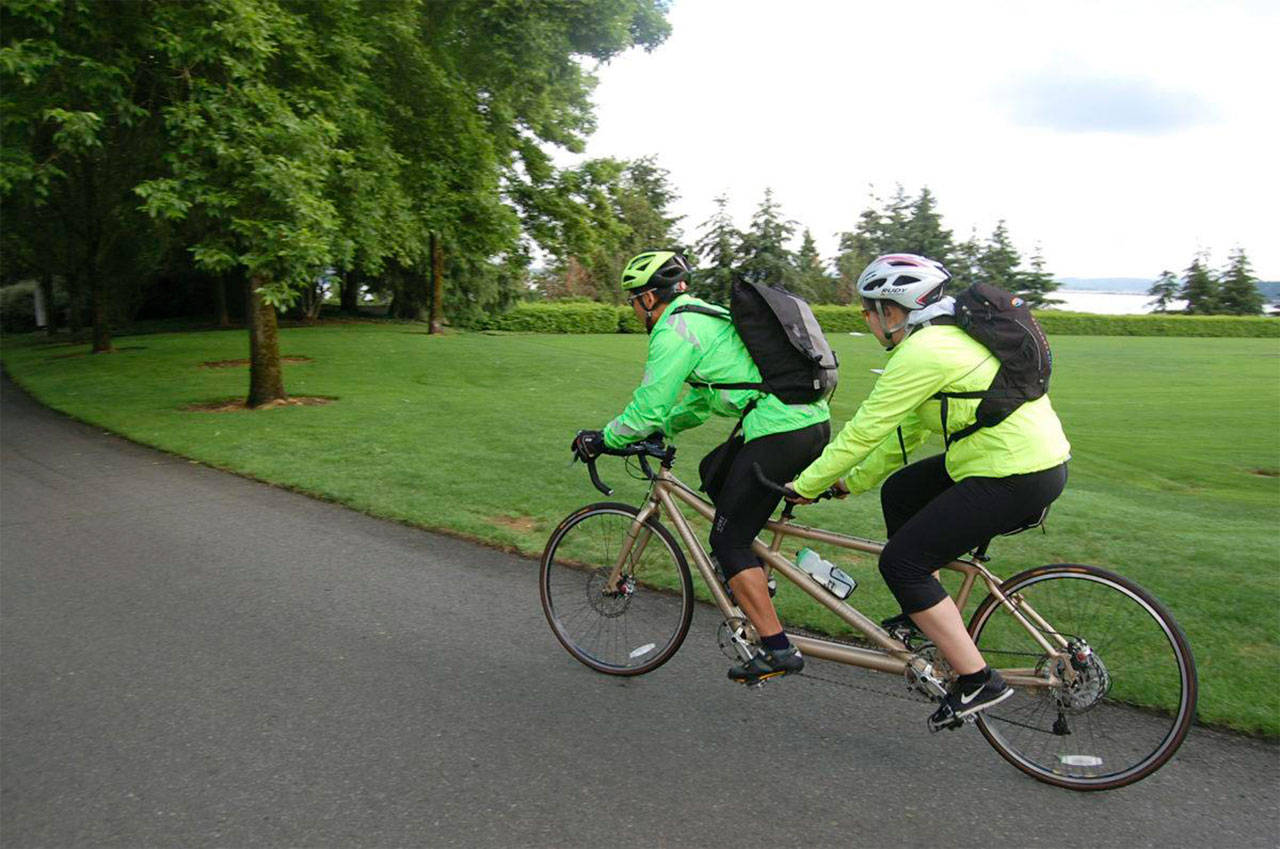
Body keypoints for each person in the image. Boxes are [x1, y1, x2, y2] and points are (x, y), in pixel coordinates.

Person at [785, 253, 1071, 730]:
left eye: (869, 309)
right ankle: (923, 609)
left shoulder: (923, 352)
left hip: (1013, 471)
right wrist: (844, 482)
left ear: (893, 312)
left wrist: (803, 485)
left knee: (901, 562)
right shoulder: (946, 342)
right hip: (1019, 461)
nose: (865, 319)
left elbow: (864, 430)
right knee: (901, 491)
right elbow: (905, 437)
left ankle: (978, 679)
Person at [572, 250, 831, 684]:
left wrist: (607, 438)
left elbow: (648, 407)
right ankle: (750, 577)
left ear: (650, 299)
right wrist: (664, 429)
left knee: (728, 539)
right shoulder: (705, 316)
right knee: (715, 472)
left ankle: (777, 648)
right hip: (802, 423)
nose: (633, 309)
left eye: (634, 300)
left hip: (781, 430)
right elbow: (699, 400)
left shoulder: (673, 329)